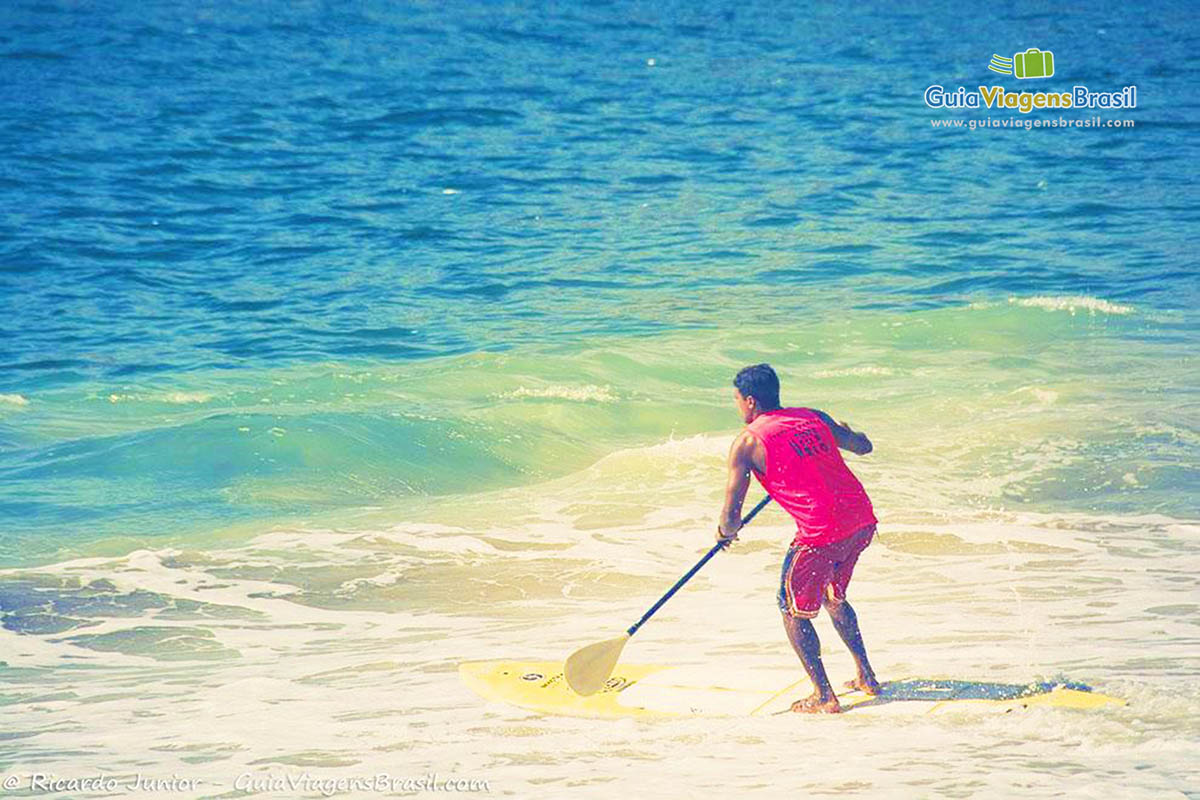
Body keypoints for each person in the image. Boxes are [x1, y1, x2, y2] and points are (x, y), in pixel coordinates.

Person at [716, 363, 880, 714]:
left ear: (749, 401)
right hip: (861, 520)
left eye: (736, 400)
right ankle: (866, 677)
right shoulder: (812, 417)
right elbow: (863, 447)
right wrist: (846, 432)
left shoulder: (747, 442)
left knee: (791, 610)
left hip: (822, 533)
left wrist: (724, 534)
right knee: (834, 597)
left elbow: (731, 517)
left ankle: (824, 696)